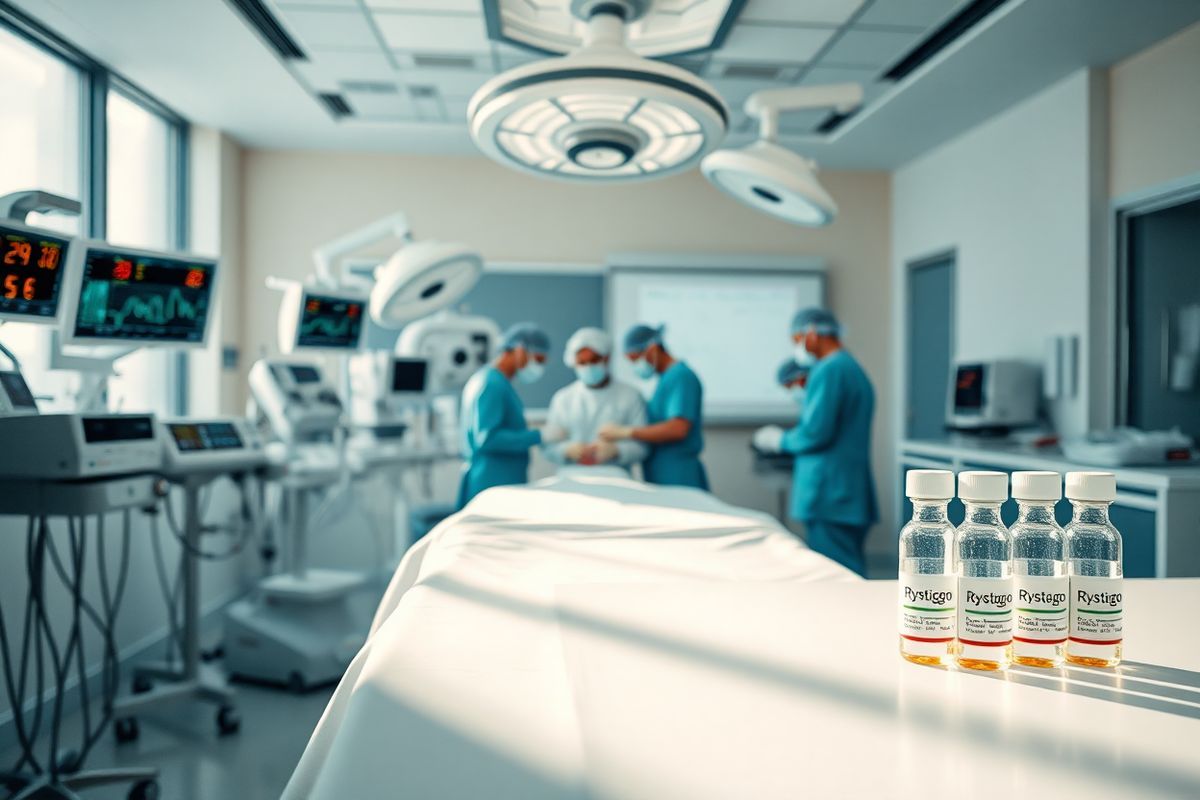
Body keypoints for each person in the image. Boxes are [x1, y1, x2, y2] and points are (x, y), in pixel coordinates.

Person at [753, 308, 878, 575]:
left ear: (811, 333)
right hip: (845, 491)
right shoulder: (850, 368)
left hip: (830, 494)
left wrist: (779, 440)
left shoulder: (830, 370)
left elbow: (814, 433)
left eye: (797, 339)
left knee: (836, 574)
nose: (798, 347)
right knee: (848, 569)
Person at [456, 322, 566, 509]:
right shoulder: (492, 384)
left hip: (494, 480)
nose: (538, 367)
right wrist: (539, 435)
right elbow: (488, 438)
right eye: (537, 359)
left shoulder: (490, 381)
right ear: (520, 350)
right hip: (493, 483)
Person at [600, 324, 708, 490]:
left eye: (635, 358)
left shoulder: (681, 377)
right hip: (661, 475)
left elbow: (677, 429)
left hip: (678, 475)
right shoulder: (665, 380)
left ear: (652, 350)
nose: (635, 365)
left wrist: (627, 432)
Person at [543, 327, 649, 471]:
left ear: (607, 358)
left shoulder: (631, 396)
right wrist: (566, 450)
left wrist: (617, 450)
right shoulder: (563, 399)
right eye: (582, 362)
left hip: (616, 480)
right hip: (572, 478)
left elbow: (642, 447)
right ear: (574, 362)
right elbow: (548, 447)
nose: (588, 367)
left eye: (594, 360)